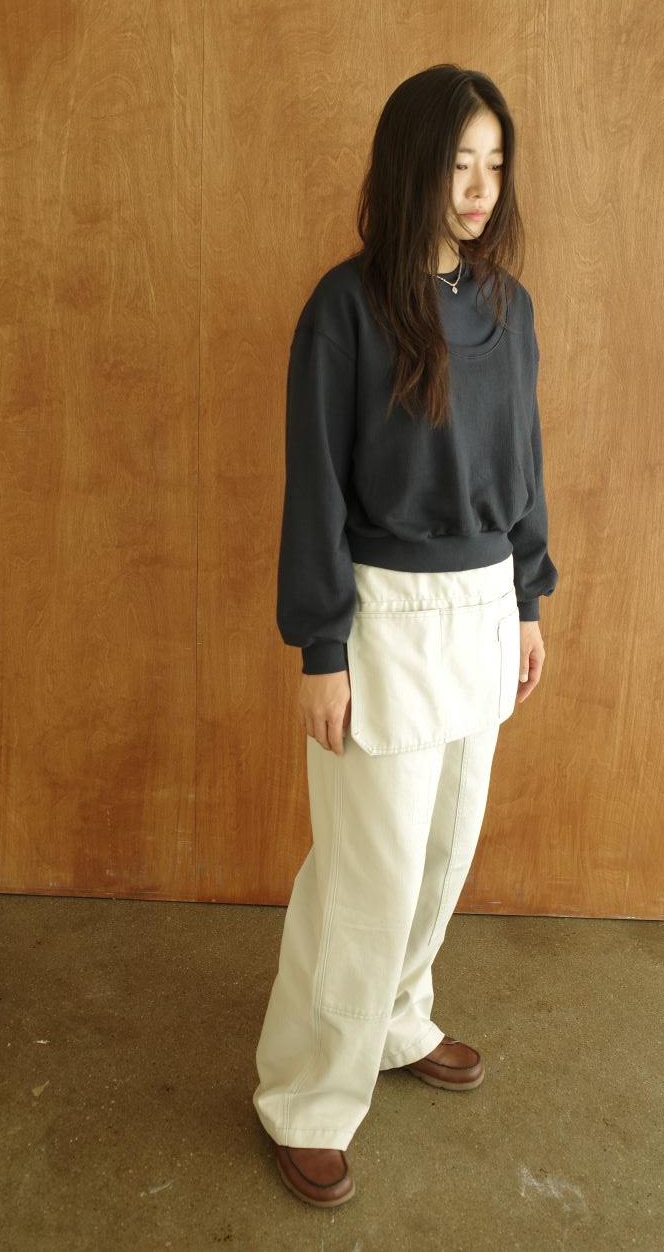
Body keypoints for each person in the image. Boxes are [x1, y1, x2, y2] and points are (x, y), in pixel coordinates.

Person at [253, 63, 559, 1208]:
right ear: (411, 167)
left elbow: (523, 463)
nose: (477, 187)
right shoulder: (344, 310)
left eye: (494, 164)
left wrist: (526, 600)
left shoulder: (507, 309)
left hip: (481, 609)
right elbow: (315, 489)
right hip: (380, 614)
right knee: (366, 876)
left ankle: (396, 1021)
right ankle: (305, 1097)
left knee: (440, 856)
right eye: (457, 163)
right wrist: (320, 649)